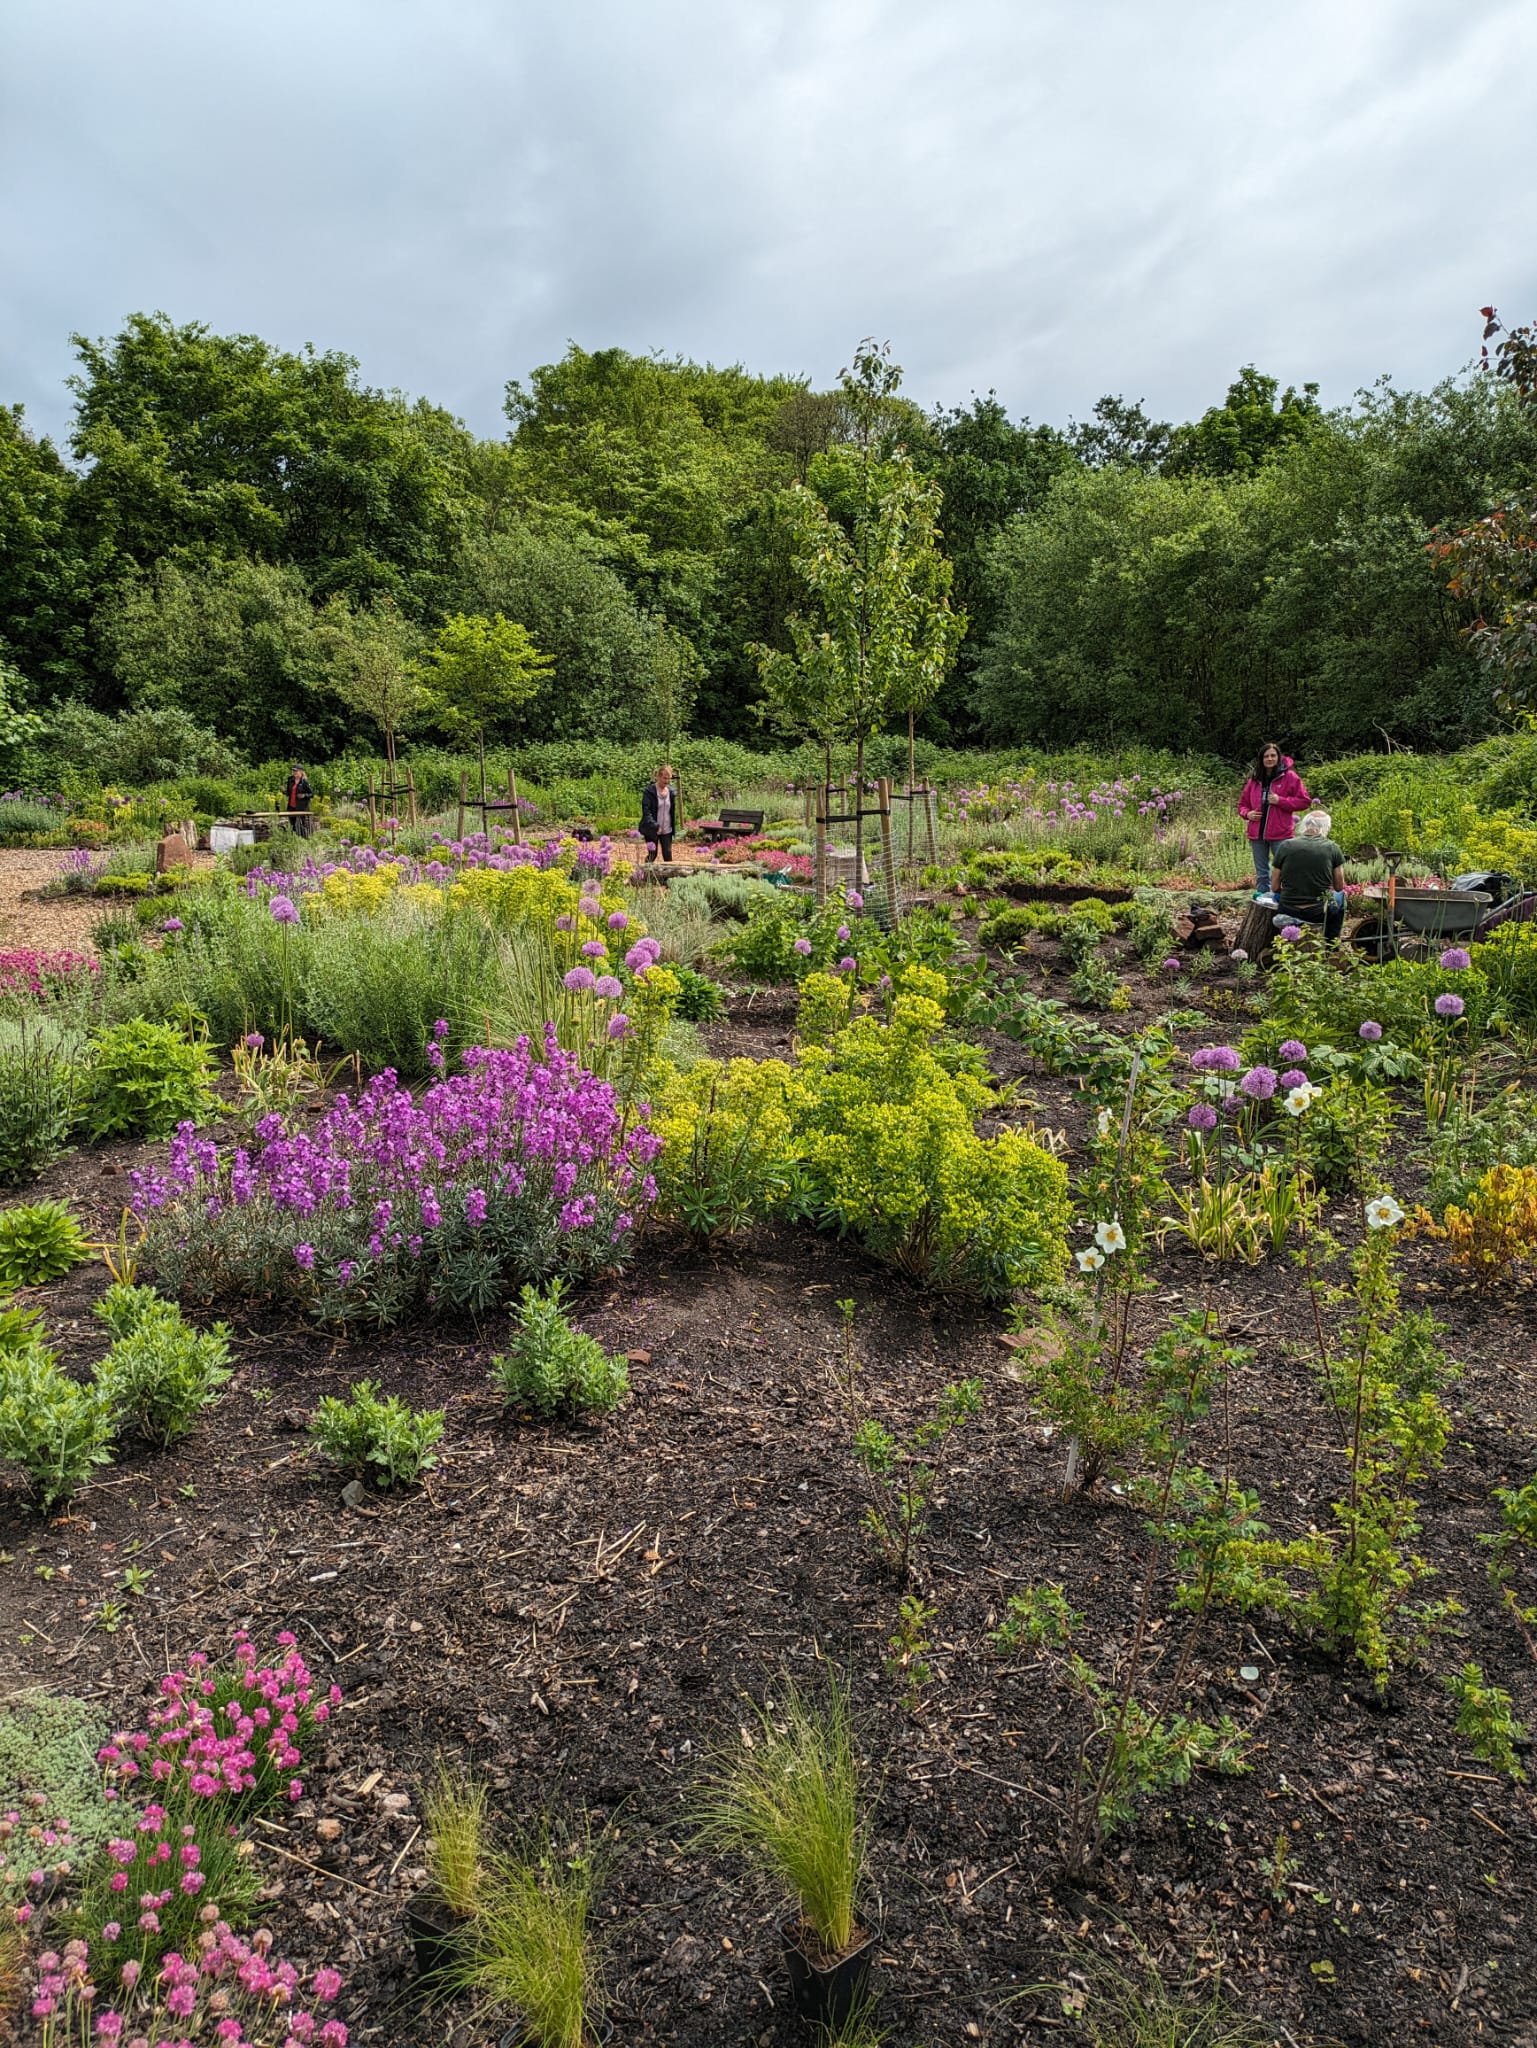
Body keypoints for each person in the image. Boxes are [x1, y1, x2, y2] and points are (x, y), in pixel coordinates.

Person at [1238, 742, 1310, 894]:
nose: (1270, 759)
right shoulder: (1255, 779)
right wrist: (1247, 814)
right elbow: (1242, 805)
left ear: (1279, 757)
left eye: (1273, 755)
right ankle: (1263, 904)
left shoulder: (1289, 777)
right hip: (1257, 834)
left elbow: (1304, 801)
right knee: (1262, 874)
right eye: (1266, 756)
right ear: (1261, 759)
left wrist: (1280, 801)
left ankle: (1286, 902)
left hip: (1280, 833)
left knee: (1285, 870)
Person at [1271, 809, 1347, 940]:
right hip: (1317, 912)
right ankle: (1331, 942)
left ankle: (1285, 932)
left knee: (1273, 896)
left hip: (1288, 908)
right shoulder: (1332, 847)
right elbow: (1339, 886)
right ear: (1325, 828)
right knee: (1340, 896)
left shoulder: (1285, 845)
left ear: (1305, 825)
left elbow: (1275, 886)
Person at [639, 763, 678, 865]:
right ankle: (644, 874)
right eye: (665, 778)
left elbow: (671, 811)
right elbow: (646, 812)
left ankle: (669, 879)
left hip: (667, 829)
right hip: (652, 829)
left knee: (668, 854)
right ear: (658, 777)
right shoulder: (649, 792)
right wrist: (655, 826)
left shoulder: (671, 792)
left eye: (669, 779)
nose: (667, 781)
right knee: (653, 854)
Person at [284, 762, 313, 839]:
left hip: (301, 807)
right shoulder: (290, 779)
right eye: (293, 771)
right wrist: (284, 792)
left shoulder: (304, 782)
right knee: (292, 824)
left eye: (296, 771)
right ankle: (295, 839)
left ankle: (306, 839)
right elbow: (289, 792)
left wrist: (304, 795)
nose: (294, 772)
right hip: (291, 806)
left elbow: (311, 794)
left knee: (302, 824)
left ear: (301, 771)